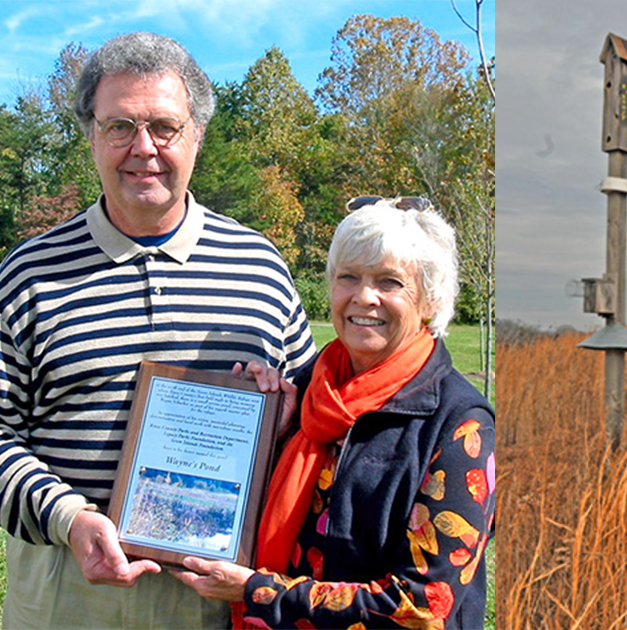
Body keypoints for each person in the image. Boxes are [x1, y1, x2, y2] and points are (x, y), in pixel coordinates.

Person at [0, 32, 316, 628]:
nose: (142, 148)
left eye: (164, 127)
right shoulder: (29, 274)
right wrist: (70, 518)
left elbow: (314, 429)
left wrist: (287, 419)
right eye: (119, 126)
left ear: (197, 134)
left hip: (212, 598)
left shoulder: (260, 269)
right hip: (65, 590)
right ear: (90, 134)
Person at [174, 199, 496, 629]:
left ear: (429, 301)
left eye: (390, 282)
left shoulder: (460, 424)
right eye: (348, 277)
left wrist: (258, 592)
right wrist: (266, 433)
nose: (364, 297)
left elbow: (423, 605)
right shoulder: (309, 390)